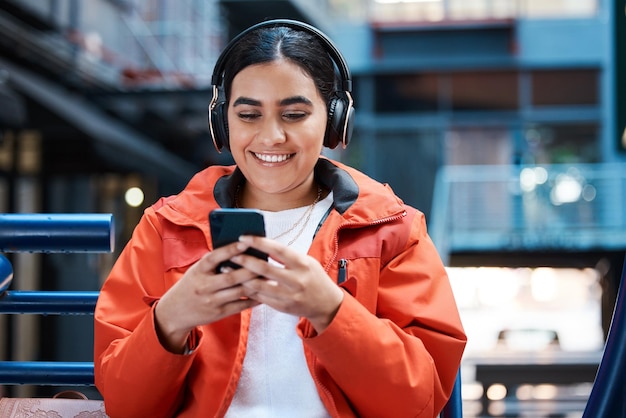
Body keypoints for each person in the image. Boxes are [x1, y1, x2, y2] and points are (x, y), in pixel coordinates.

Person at [94, 19, 466, 418]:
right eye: (249, 115)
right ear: (222, 122)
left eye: (293, 114)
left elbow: (420, 402)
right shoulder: (166, 227)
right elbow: (125, 406)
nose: (271, 137)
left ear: (335, 120)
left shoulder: (392, 230)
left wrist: (331, 311)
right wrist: (170, 320)